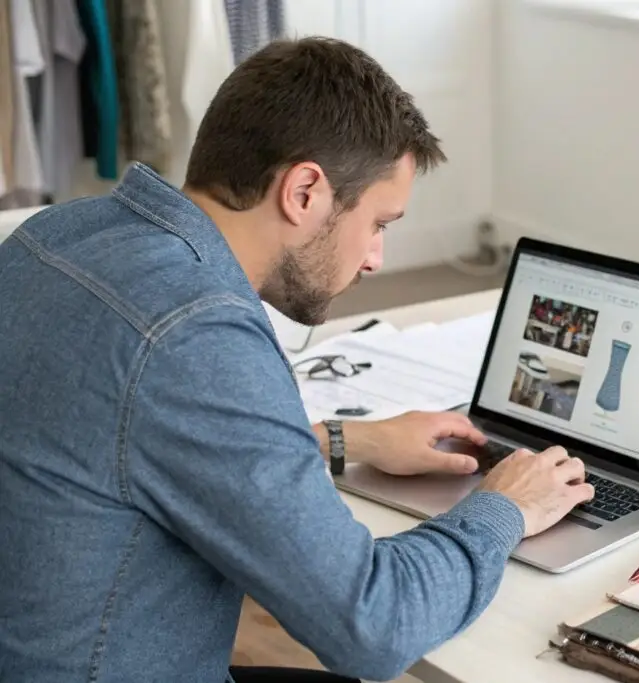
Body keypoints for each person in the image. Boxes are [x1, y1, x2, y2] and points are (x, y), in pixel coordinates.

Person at [0, 37, 595, 683]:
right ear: (305, 190)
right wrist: (505, 505)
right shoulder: (197, 336)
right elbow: (373, 623)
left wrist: (342, 438)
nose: (375, 259)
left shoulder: (57, 234)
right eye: (379, 223)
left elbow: (130, 443)